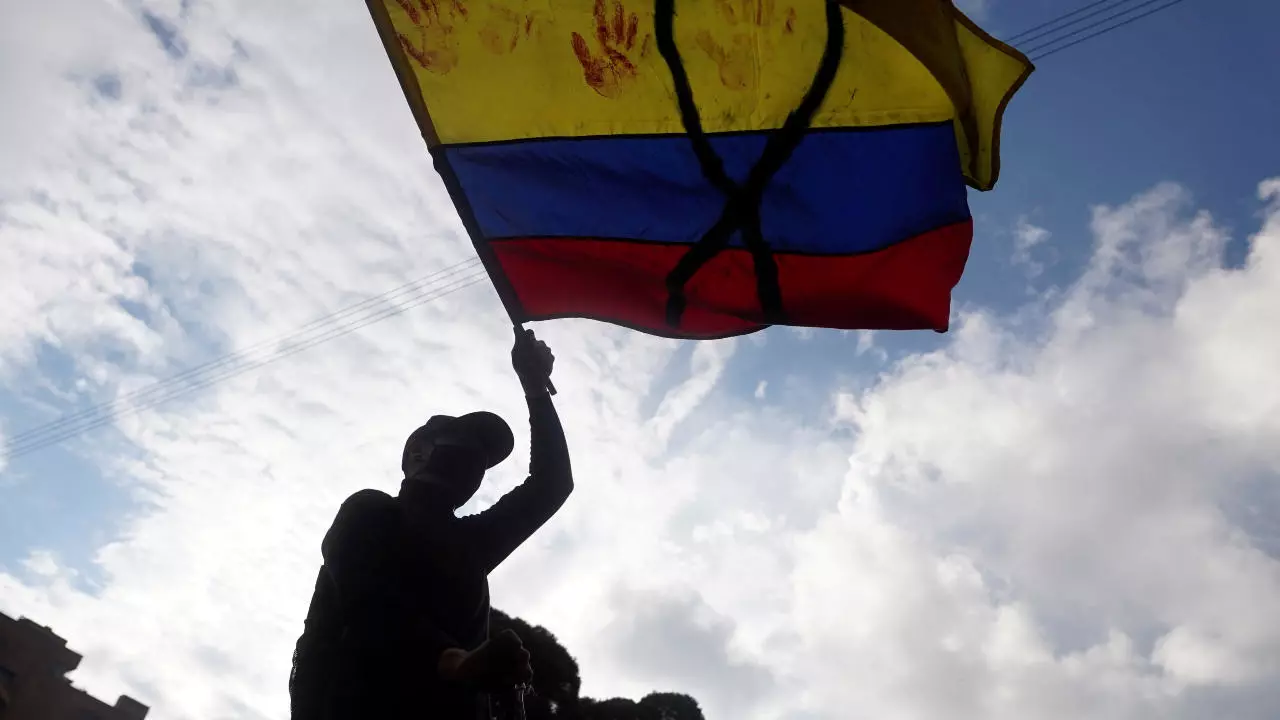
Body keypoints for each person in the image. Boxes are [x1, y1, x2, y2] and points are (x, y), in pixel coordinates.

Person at [309, 328, 572, 719]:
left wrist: (534, 387)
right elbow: (369, 607)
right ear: (417, 452)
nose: (475, 465)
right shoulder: (369, 511)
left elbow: (551, 484)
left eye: (483, 463)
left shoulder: (472, 542)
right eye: (464, 445)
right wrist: (454, 661)